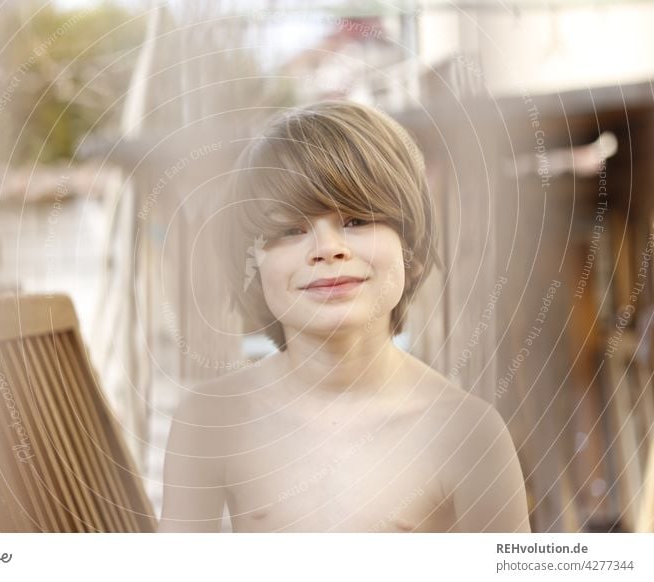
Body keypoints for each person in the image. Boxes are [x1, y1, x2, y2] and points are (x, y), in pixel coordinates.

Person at [158, 101, 531, 532]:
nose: (327, 248)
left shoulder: (467, 433)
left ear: (410, 247)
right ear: (252, 267)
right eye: (290, 229)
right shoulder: (209, 420)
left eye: (356, 219)